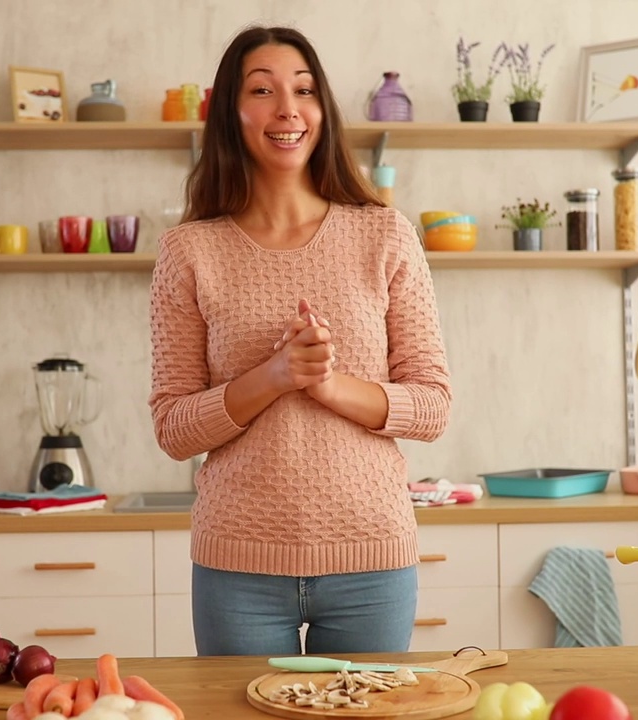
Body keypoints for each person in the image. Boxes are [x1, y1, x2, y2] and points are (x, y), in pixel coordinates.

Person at [147, 24, 452, 657]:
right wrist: (274, 376)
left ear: (322, 111)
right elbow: (173, 427)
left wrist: (330, 385)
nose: (288, 108)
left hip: (373, 558)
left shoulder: (385, 236)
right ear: (230, 113)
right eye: (263, 90)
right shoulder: (188, 251)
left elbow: (432, 405)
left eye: (304, 90)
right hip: (237, 568)